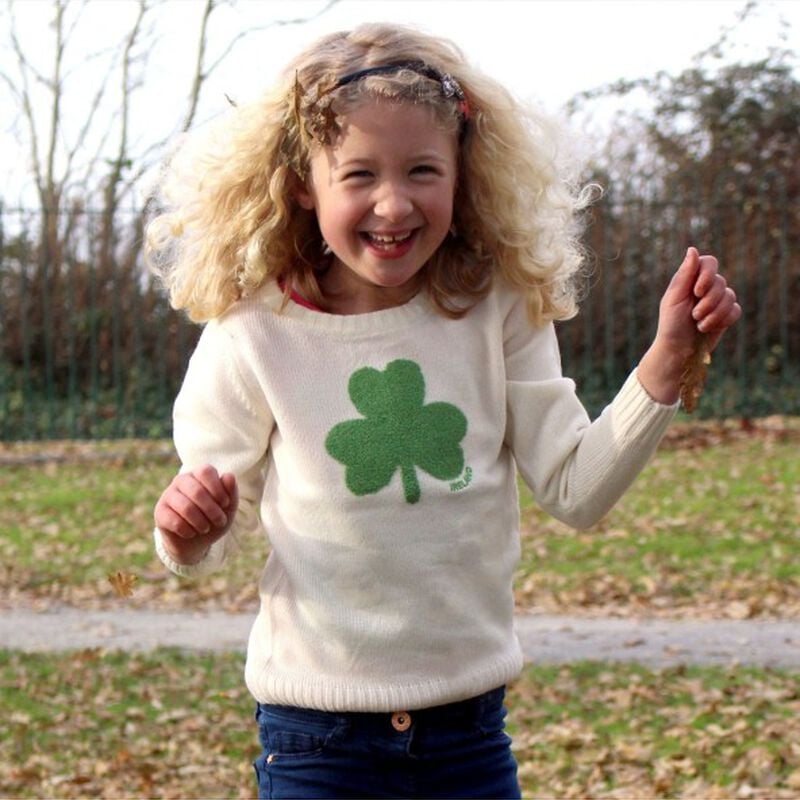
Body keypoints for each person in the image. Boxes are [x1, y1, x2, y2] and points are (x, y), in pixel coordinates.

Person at [147, 23, 740, 800]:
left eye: (422, 169)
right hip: (317, 742)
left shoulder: (497, 305)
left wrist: (667, 360)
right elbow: (209, 531)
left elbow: (576, 491)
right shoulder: (254, 329)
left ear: (464, 173)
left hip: (469, 739)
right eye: (359, 174)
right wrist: (187, 530)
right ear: (302, 184)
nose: (392, 203)